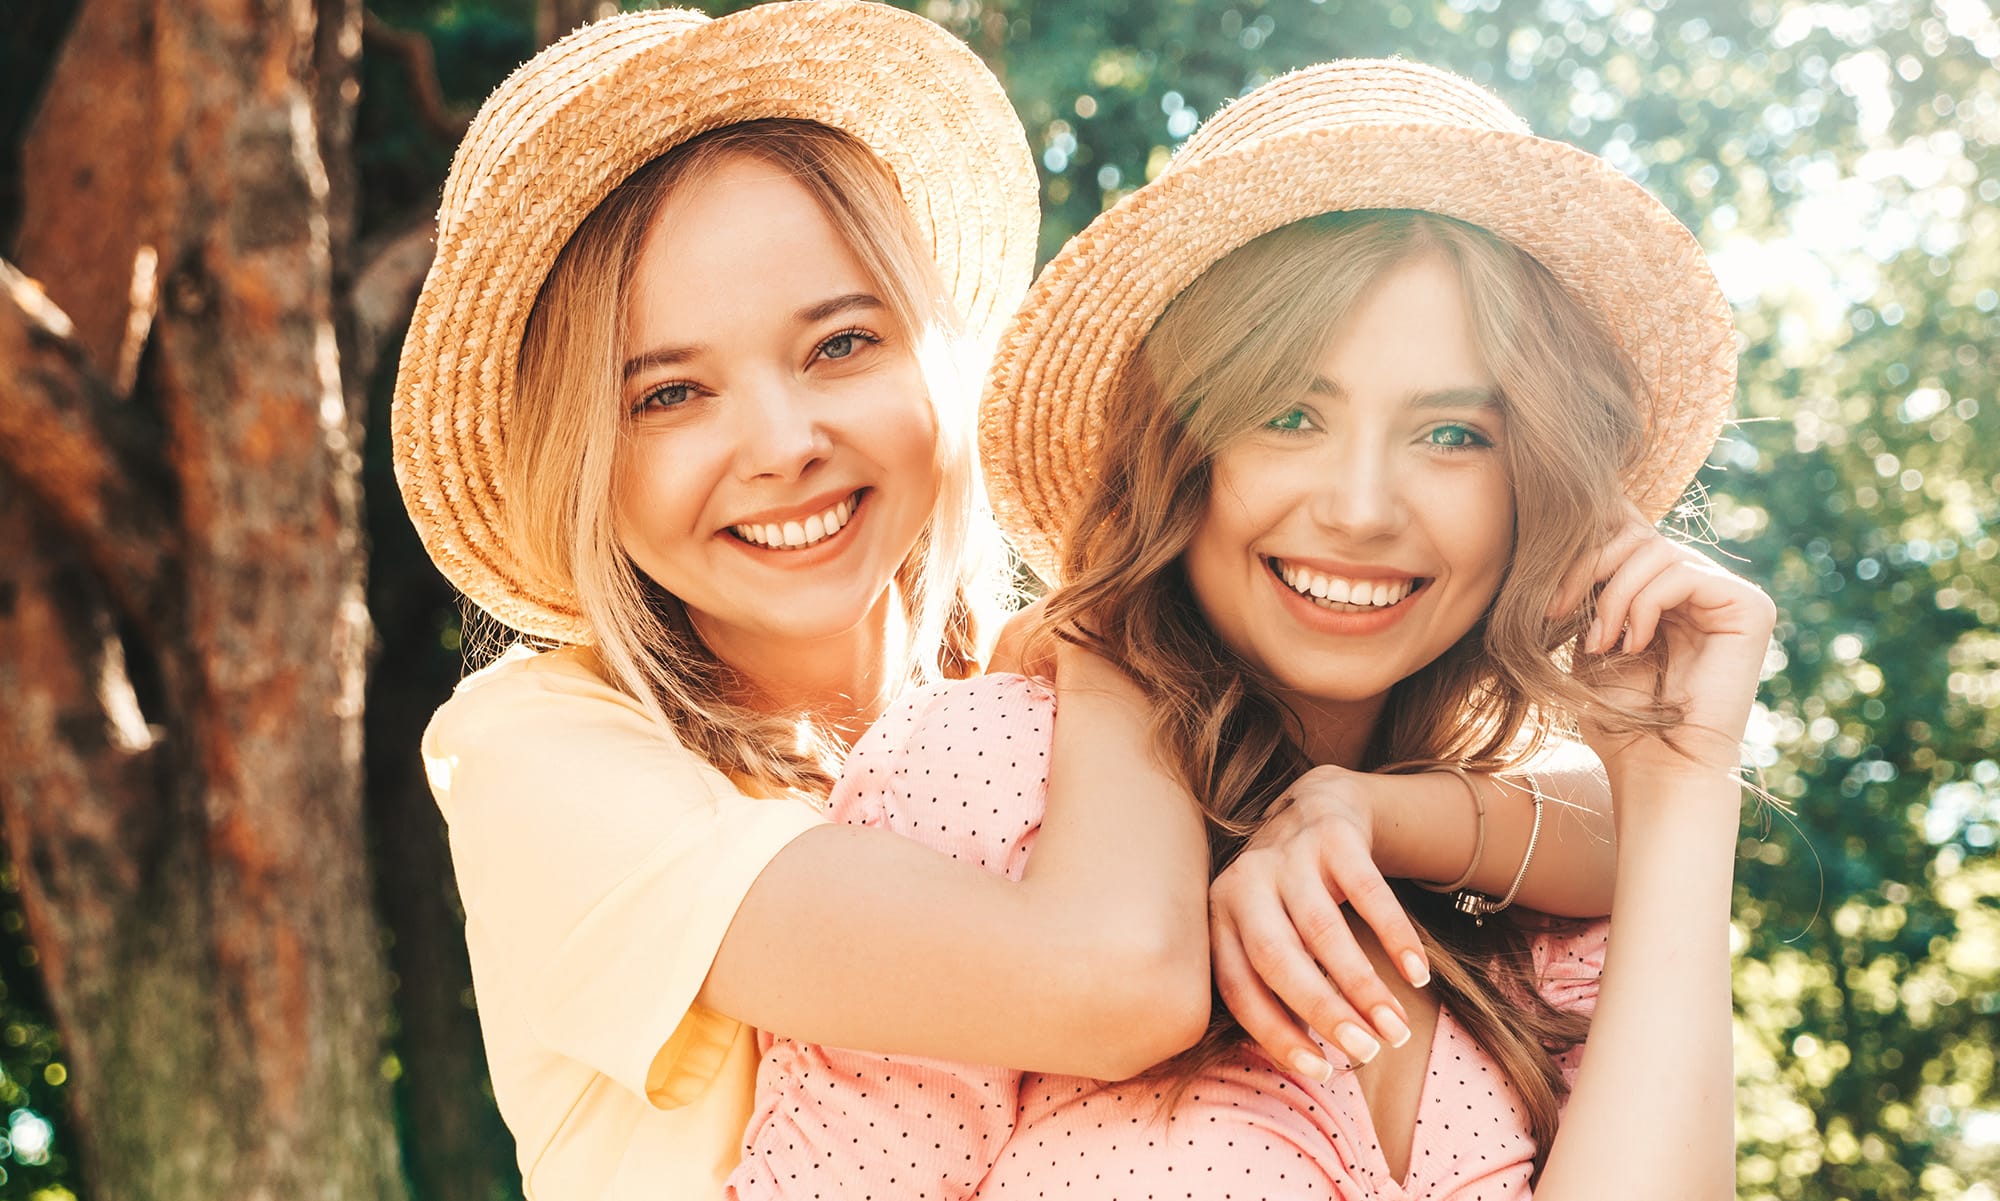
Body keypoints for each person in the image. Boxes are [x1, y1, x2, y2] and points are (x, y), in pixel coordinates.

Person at [394, 8, 1618, 1197]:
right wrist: (1112, 635)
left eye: (839, 346)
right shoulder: (540, 752)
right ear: (575, 456)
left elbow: (1616, 819)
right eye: (666, 395)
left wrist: (1365, 811)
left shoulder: (1021, 704)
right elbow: (1115, 987)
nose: (781, 444)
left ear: (933, 354)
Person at [728, 59, 1764, 1201]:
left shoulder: (1534, 907)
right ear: (1183, 451)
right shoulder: (994, 776)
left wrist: (1681, 774)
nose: (1361, 506)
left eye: (1451, 434)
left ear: (1534, 484)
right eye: (1287, 414)